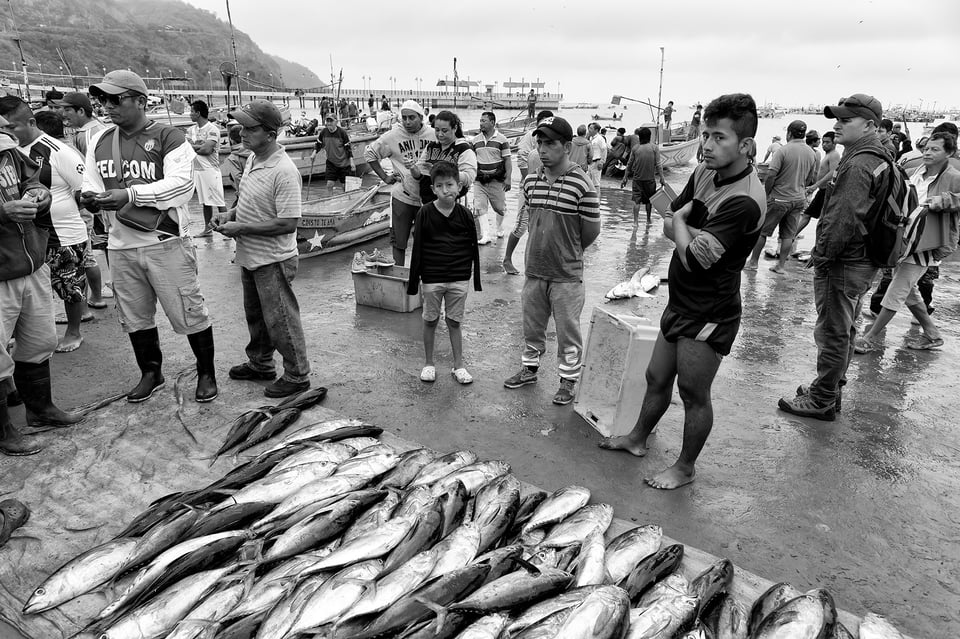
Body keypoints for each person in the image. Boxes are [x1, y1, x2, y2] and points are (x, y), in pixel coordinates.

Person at [599, 93, 765, 490]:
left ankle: (685, 468)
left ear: (745, 145)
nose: (706, 145)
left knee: (693, 393)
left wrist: (678, 222)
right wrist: (678, 226)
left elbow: (691, 252)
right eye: (705, 134)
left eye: (719, 137)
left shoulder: (743, 200)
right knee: (656, 376)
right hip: (680, 299)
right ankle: (637, 438)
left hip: (711, 310)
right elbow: (668, 227)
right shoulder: (708, 171)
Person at [81, 70, 218, 404]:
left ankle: (206, 373)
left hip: (165, 242)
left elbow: (183, 186)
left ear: (141, 101)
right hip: (121, 246)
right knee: (134, 316)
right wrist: (89, 196)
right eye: (103, 100)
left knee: (188, 310)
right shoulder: (100, 141)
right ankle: (151, 372)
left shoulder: (169, 137)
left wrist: (129, 195)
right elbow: (91, 182)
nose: (107, 106)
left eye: (116, 99)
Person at [778, 93, 891, 421]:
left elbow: (844, 217)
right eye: (837, 119)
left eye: (846, 120)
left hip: (846, 261)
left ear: (869, 124)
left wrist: (822, 254)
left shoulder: (858, 163)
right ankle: (829, 388)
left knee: (831, 330)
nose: (837, 125)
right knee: (845, 327)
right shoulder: (879, 157)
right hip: (865, 259)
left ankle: (823, 398)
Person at [213, 100, 311, 398]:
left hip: (273, 258)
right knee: (256, 316)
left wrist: (240, 229)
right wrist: (231, 215)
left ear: (270, 134)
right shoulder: (254, 159)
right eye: (241, 126)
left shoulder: (283, 170)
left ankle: (297, 375)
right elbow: (249, 200)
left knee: (281, 319)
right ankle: (261, 363)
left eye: (249, 128)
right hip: (250, 255)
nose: (241, 132)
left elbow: (288, 223)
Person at [503, 116, 600, 406]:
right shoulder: (531, 181)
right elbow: (529, 220)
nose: (543, 150)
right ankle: (529, 369)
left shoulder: (582, 183)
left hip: (567, 274)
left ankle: (568, 381)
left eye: (550, 144)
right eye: (540, 143)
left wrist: (567, 249)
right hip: (535, 269)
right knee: (532, 325)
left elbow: (591, 230)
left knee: (568, 330)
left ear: (567, 146)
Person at [1, 114, 81, 455]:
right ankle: (4, 429)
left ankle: (39, 408)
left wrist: (39, 193)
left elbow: (33, 179)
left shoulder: (10, 154)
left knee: (39, 340)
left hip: (30, 265)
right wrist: (3, 212)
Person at [854, 132, 960, 353]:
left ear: (949, 153)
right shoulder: (914, 172)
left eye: (935, 149)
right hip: (902, 241)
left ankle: (870, 337)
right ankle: (932, 333)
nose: (928, 153)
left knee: (898, 289)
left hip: (926, 243)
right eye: (928, 148)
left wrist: (943, 201)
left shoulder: (954, 177)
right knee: (908, 289)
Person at [0, 97, 90, 353]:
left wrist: (46, 197)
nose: (8, 134)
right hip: (30, 238)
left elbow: (84, 188)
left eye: (12, 128)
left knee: (70, 285)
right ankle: (25, 332)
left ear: (30, 122)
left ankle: (74, 332)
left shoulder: (58, 150)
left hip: (63, 233)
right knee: (35, 293)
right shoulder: (12, 152)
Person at [407, 161, 482, 385]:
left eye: (450, 184)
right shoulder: (425, 213)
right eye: (439, 186)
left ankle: (458, 365)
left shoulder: (466, 214)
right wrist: (415, 282)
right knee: (430, 320)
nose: (445, 190)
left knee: (454, 322)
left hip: (459, 277)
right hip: (432, 278)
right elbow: (418, 247)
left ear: (459, 186)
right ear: (433, 190)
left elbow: (473, 247)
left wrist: (473, 278)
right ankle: (429, 363)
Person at [53, 92, 110, 308]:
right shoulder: (89, 130)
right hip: (96, 200)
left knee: (90, 251)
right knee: (97, 247)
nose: (63, 113)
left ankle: (92, 298)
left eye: (68, 109)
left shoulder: (91, 134)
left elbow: (92, 172)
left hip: (96, 201)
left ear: (81, 111)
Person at [363, 99, 435, 267]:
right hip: (402, 196)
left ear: (421, 117)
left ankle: (424, 277)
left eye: (412, 118)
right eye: (404, 118)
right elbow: (370, 154)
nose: (408, 122)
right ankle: (399, 274)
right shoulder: (392, 136)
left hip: (428, 197)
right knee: (399, 241)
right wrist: (385, 178)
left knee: (426, 242)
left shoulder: (433, 134)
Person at [745, 120, 818, 274]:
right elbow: (811, 178)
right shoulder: (812, 153)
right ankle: (781, 266)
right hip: (798, 199)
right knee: (788, 235)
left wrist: (767, 193)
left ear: (789, 133)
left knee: (763, 231)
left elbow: (771, 175)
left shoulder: (783, 151)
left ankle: (753, 262)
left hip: (779, 198)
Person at [505, 110, 553, 275]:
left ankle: (537, 262)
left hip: (547, 189)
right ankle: (507, 260)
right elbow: (522, 158)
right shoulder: (530, 137)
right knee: (521, 225)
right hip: (529, 188)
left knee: (541, 228)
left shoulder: (552, 141)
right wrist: (530, 183)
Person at [409, 110, 476, 206]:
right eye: (437, 130)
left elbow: (469, 178)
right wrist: (413, 168)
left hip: (452, 203)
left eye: (444, 131)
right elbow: (419, 175)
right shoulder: (430, 147)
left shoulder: (464, 149)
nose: (440, 134)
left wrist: (443, 171)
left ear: (455, 128)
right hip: (428, 203)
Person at [186, 100, 226, 238]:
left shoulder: (213, 129)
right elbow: (186, 148)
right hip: (198, 170)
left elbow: (207, 150)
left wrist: (196, 147)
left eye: (192, 111)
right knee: (205, 202)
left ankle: (228, 229)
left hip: (210, 170)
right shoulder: (191, 130)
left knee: (219, 201)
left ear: (198, 113)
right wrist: (198, 146)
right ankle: (207, 230)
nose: (190, 114)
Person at [472, 111, 513, 243]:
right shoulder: (475, 140)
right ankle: (486, 235)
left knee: (499, 208)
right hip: (480, 180)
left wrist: (508, 178)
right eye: (480, 120)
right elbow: (472, 159)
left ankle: (499, 227)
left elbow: (507, 160)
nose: (481, 123)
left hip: (497, 180)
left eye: (484, 121)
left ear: (492, 122)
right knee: (480, 206)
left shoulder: (502, 140)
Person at [620, 127, 663, 224]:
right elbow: (659, 165)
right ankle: (648, 220)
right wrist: (662, 178)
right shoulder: (654, 148)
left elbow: (629, 165)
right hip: (650, 180)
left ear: (639, 137)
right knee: (648, 201)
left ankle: (635, 222)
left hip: (637, 180)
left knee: (636, 201)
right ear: (649, 137)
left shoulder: (635, 148)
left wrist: (624, 178)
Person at [311, 114, 355, 189]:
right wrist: (314, 153)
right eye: (327, 121)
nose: (329, 123)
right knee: (329, 184)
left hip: (343, 163)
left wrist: (352, 162)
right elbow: (318, 144)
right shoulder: (323, 132)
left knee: (345, 186)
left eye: (331, 121)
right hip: (331, 162)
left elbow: (348, 148)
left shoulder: (342, 133)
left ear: (336, 122)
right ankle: (330, 199)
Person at [586, 122, 608, 192]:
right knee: (588, 182)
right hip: (590, 163)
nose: (589, 130)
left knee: (596, 184)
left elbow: (604, 150)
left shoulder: (600, 138)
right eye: (589, 128)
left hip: (596, 162)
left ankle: (597, 201)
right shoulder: (590, 138)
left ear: (596, 130)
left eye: (591, 128)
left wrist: (602, 162)